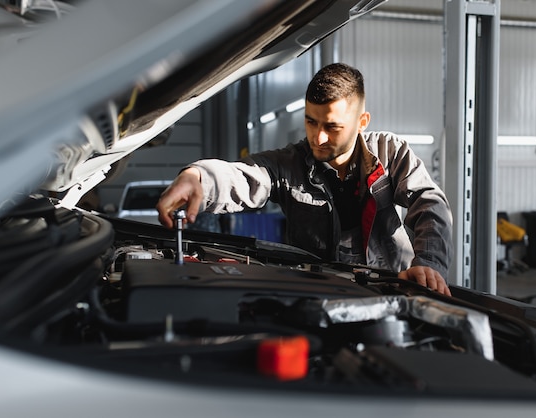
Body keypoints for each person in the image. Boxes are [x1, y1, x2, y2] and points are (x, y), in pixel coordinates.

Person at [157, 63, 453, 296]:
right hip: (314, 292)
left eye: (332, 126)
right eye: (311, 121)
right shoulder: (291, 163)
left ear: (362, 122)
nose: (318, 137)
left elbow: (429, 202)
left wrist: (428, 263)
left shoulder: (390, 152)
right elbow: (245, 176)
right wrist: (198, 178)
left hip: (390, 287)